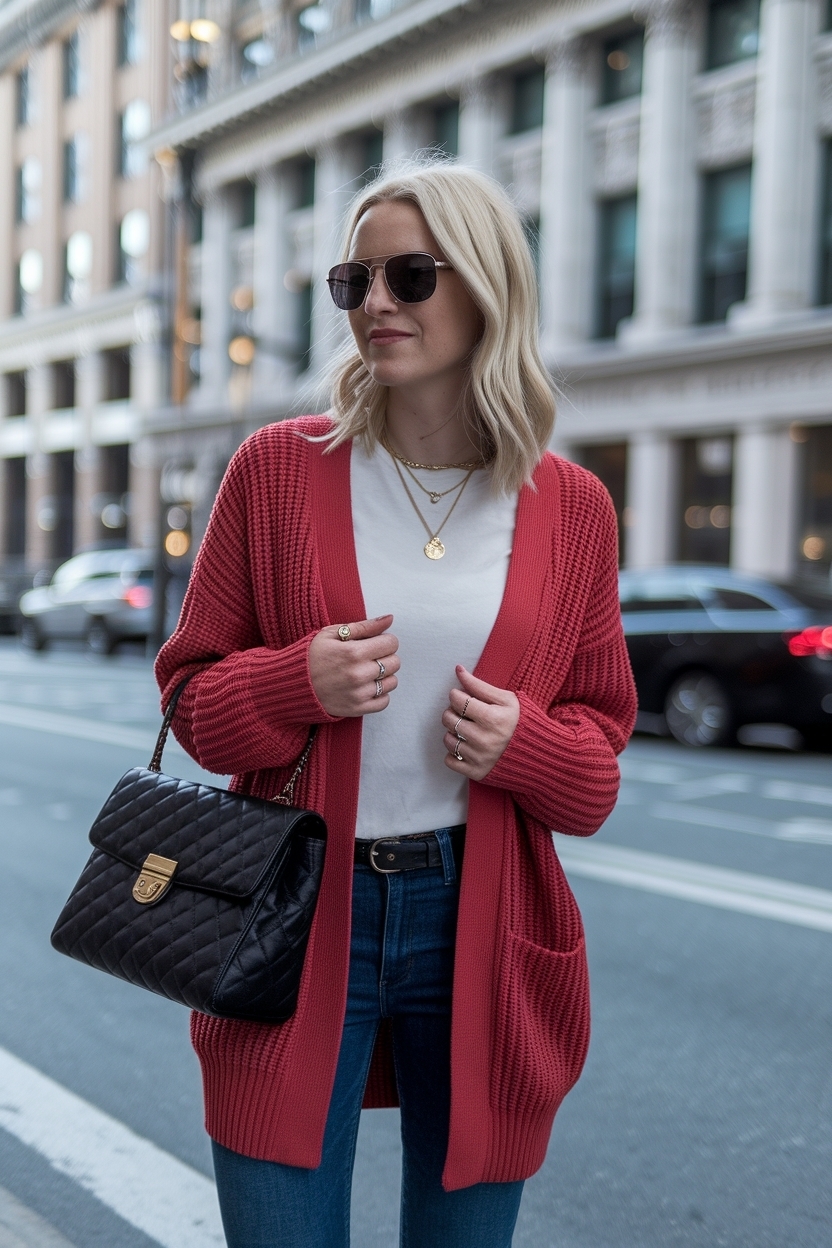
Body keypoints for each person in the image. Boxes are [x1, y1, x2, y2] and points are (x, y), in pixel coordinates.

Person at [155, 161, 637, 1248]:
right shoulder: (276, 472)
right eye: (353, 279)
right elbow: (190, 697)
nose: (374, 303)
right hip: (290, 912)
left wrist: (524, 747)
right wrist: (296, 683)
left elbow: (598, 764)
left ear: (484, 288)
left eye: (409, 276)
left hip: (484, 916)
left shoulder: (571, 511)